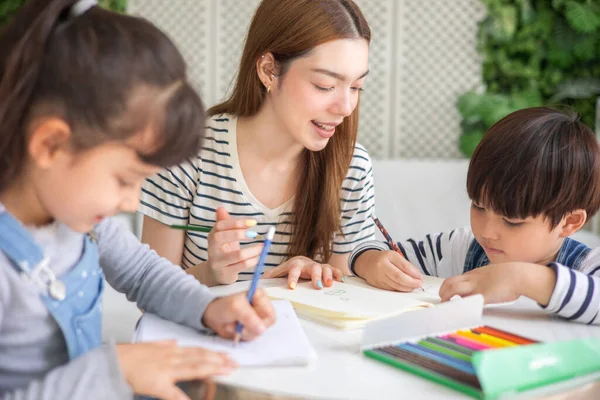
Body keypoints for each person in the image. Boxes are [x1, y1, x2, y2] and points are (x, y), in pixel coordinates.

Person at [0, 1, 275, 399]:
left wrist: (207, 308)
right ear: (50, 144)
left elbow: (144, 273)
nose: (132, 202)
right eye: (125, 179)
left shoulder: (81, 220)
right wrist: (114, 369)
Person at [140, 0, 376, 290]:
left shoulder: (352, 168)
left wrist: (316, 276)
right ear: (268, 70)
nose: (346, 107)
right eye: (325, 86)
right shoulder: (185, 153)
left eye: (356, 87)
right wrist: (211, 274)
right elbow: (149, 293)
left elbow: (345, 301)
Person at [349, 107, 600, 324]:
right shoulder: (461, 248)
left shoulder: (587, 266)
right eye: (479, 207)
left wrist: (522, 279)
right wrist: (369, 261)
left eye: (512, 222)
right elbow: (382, 252)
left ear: (569, 222)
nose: (487, 232)